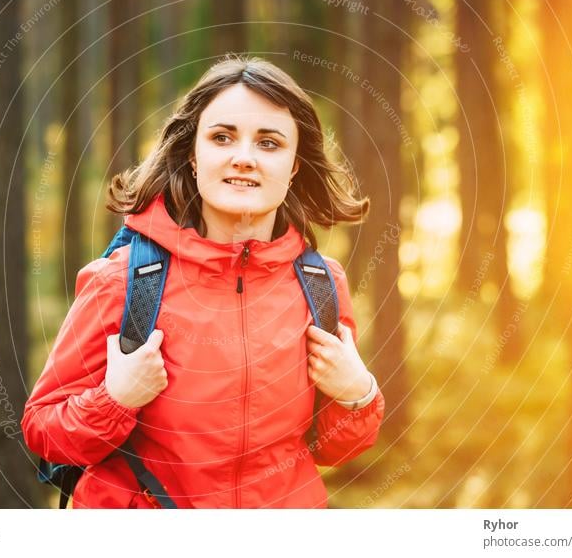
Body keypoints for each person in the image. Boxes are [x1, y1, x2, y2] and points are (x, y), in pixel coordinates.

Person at [22, 56, 385, 508]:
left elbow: (336, 449)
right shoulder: (124, 281)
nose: (244, 158)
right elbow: (43, 432)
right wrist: (115, 400)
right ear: (193, 156)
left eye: (269, 143)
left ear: (294, 166)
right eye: (221, 137)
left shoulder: (321, 284)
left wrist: (358, 393)